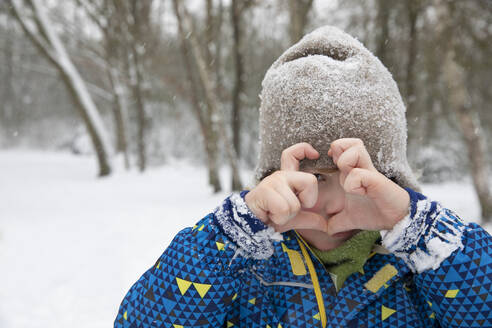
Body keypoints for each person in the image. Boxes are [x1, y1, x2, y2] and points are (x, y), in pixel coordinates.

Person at [114, 26, 492, 328]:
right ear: (274, 180)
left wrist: (425, 232)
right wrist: (229, 234)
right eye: (314, 180)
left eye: (358, 180)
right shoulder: (245, 271)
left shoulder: (425, 270)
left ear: (393, 182)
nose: (333, 204)